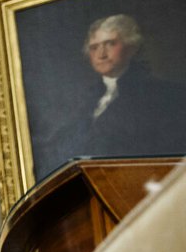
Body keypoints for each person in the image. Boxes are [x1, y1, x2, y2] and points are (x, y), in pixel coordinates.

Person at [36, 14, 186, 177]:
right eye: (94, 47)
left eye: (110, 44)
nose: (101, 54)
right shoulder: (87, 101)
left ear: (131, 47)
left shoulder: (162, 94)